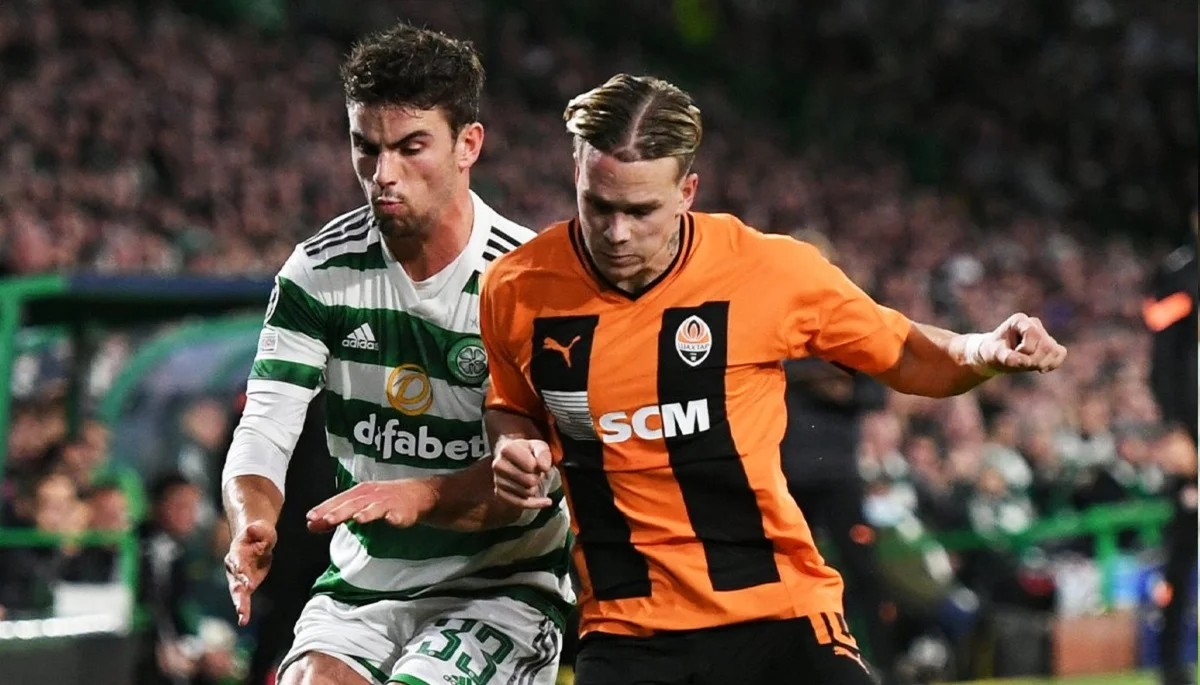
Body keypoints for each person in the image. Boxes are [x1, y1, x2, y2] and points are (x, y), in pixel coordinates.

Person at [480, 73, 1068, 685]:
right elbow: (510, 406)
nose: (618, 232)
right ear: (576, 174)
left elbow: (907, 353)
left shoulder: (767, 270)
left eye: (641, 210)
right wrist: (511, 443)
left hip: (778, 614)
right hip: (627, 631)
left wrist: (981, 349)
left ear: (686, 192)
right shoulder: (517, 287)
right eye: (599, 205)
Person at [220, 23, 571, 685]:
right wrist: (252, 519)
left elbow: (539, 478)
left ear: (469, 144)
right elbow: (263, 428)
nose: (383, 175)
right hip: (364, 583)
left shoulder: (529, 281)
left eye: (411, 147)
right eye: (367, 147)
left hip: (501, 585)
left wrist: (425, 495)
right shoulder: (318, 273)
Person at [1143, 210, 1198, 685]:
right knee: (1182, 553)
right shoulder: (1181, 272)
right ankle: (1170, 664)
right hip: (1194, 433)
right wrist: (1176, 429)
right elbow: (1163, 358)